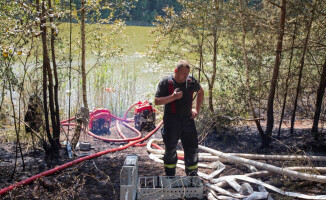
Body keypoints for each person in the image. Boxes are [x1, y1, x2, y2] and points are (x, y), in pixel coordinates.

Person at [155, 60, 204, 176]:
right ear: (176, 71)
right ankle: (170, 177)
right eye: (183, 74)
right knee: (170, 150)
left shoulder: (191, 81)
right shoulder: (166, 83)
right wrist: (173, 97)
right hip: (171, 120)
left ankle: (192, 177)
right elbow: (157, 101)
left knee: (192, 150)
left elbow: (201, 92)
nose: (185, 77)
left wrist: (196, 109)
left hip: (187, 120)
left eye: (187, 74)